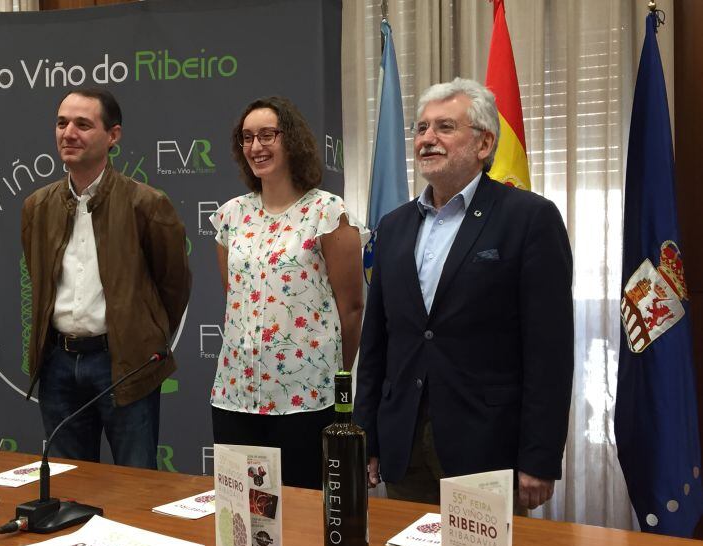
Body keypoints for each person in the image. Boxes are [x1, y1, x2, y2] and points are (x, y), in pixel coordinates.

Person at [354, 78, 573, 508]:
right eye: (421, 129)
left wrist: (540, 456)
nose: (427, 140)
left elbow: (550, 352)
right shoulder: (394, 226)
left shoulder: (530, 219)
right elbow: (377, 339)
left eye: (444, 128)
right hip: (406, 447)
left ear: (484, 143)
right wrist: (368, 434)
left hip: (489, 448)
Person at [21, 87, 190, 469]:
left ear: (113, 136)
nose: (69, 133)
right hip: (58, 365)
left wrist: (140, 334)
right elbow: (40, 280)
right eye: (62, 123)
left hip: (124, 364)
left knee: (136, 486)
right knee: (68, 486)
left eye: (83, 124)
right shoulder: (37, 206)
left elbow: (173, 286)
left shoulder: (146, 203)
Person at [210, 96, 368, 489]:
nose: (256, 147)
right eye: (247, 138)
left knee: (301, 518)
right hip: (235, 394)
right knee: (242, 516)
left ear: (291, 140)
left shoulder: (328, 212)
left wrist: (335, 375)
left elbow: (351, 308)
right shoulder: (231, 215)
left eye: (267, 135)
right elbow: (235, 298)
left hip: (306, 396)